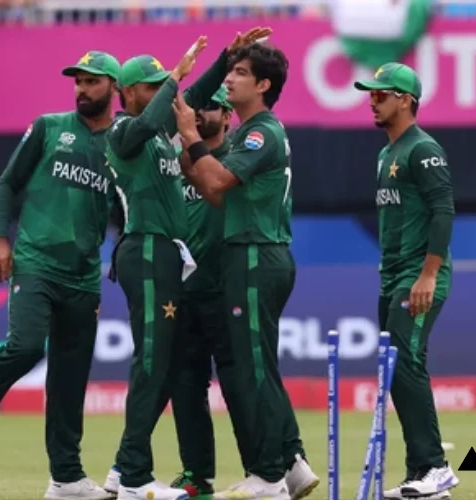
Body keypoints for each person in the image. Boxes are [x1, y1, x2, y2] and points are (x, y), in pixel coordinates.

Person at [101, 28, 272, 500]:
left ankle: (126, 470)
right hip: (146, 247)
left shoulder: (161, 130)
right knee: (153, 361)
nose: (162, 92)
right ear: (128, 92)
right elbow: (154, 115)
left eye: (162, 84)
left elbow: (190, 97)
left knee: (162, 364)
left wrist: (225, 58)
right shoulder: (122, 131)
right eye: (151, 86)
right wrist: (175, 75)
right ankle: (132, 475)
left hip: (167, 254)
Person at [0, 51, 121, 500]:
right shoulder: (49, 127)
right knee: (27, 344)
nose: (81, 89)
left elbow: (128, 209)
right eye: (77, 82)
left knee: (70, 378)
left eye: (91, 82)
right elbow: (8, 183)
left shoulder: (121, 144)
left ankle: (66, 477)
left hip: (84, 275)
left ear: (113, 87)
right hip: (34, 260)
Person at [172, 42, 318, 500]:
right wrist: (188, 153)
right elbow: (217, 194)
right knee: (258, 367)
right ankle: (289, 467)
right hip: (248, 255)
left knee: (254, 370)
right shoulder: (245, 134)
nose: (228, 79)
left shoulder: (260, 133)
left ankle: (270, 475)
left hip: (256, 254)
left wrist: (189, 136)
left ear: (263, 85)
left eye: (238, 72)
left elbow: (215, 182)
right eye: (229, 70)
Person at [353, 62, 460, 499]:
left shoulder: (423, 148)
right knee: (397, 368)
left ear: (406, 100)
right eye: (371, 93)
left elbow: (444, 211)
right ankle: (422, 471)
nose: (372, 100)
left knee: (402, 363)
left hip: (419, 277)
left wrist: (428, 274)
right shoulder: (385, 154)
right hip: (392, 275)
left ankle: (434, 466)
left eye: (381, 94)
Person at [169, 85, 238, 499]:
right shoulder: (176, 164)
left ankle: (265, 471)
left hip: (225, 286)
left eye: (211, 107)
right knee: (186, 385)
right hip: (183, 293)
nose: (201, 113)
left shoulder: (236, 159)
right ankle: (197, 474)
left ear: (228, 116)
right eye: (196, 107)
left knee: (240, 385)